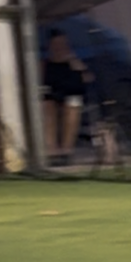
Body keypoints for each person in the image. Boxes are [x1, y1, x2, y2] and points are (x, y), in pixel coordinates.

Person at [42, 30, 89, 164]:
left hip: (71, 95)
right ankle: (52, 150)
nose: (59, 47)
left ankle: (66, 150)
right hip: (51, 97)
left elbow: (87, 80)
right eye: (56, 44)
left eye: (62, 43)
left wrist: (76, 65)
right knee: (47, 107)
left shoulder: (74, 63)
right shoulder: (45, 64)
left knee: (73, 105)